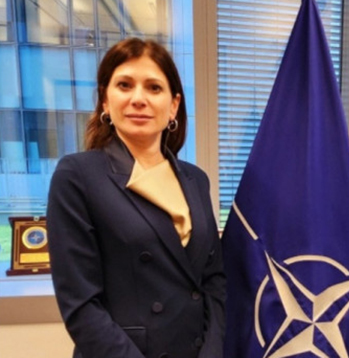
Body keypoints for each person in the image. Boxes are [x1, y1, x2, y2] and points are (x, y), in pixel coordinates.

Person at [47, 38, 225, 358]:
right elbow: (81, 305)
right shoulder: (77, 176)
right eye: (125, 85)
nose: (138, 99)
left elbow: (214, 281)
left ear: (173, 105)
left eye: (154, 88)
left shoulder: (196, 180)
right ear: (105, 100)